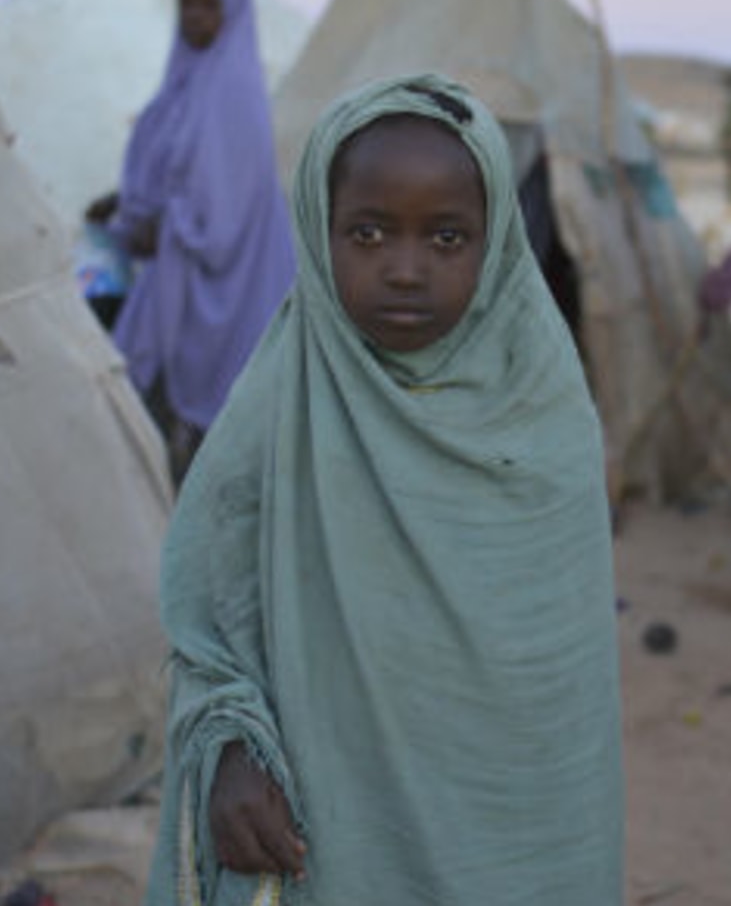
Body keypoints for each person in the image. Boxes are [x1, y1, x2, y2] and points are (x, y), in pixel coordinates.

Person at [146, 74, 625, 905]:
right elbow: (206, 621)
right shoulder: (279, 406)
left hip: (517, 833)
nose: (405, 270)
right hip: (331, 827)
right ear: (317, 229)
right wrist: (227, 748)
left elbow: (560, 687)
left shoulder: (543, 419)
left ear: (499, 241)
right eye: (367, 232)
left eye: (446, 238)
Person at [86, 0, 295, 485]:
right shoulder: (183, 85)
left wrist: (167, 226)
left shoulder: (236, 96)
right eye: (186, 3)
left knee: (209, 425)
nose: (194, 16)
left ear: (233, 14)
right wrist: (122, 204)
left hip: (226, 282)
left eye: (208, 5)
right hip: (172, 270)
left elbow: (224, 213)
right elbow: (175, 170)